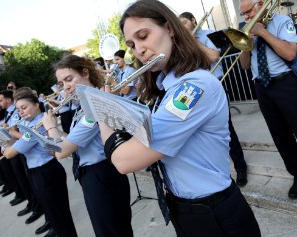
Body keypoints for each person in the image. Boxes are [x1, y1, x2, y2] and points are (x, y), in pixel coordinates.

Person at [97, 0, 261, 236]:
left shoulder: (193, 88)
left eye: (144, 36)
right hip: (185, 208)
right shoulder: (169, 88)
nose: (139, 50)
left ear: (170, 29)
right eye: (132, 44)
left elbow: (124, 161)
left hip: (214, 214)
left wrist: (103, 112)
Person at [41, 54, 133, 237]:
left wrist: (51, 128)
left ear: (85, 72)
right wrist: (56, 134)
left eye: (69, 79)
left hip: (102, 176)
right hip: (92, 176)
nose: (66, 87)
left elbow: (61, 152)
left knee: (112, 232)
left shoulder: (94, 104)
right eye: (61, 83)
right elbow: (72, 141)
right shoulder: (82, 106)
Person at [179, 11, 248, 186]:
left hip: (214, 84)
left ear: (193, 20)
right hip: (195, 89)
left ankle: (240, 167)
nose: (182, 27)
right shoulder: (181, 43)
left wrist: (191, 40)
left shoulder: (207, 34)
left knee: (227, 128)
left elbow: (213, 56)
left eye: (184, 23)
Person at [239, 0, 297, 199]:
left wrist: (263, 32)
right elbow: (244, 66)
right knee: (280, 135)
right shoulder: (247, 31)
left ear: (261, 4)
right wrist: (246, 44)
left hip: (285, 83)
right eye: (243, 14)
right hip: (262, 87)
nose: (246, 17)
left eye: (248, 12)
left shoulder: (281, 20)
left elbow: (290, 53)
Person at [2, 89, 77, 237]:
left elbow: (11, 153)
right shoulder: (32, 124)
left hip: (46, 171)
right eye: (18, 109)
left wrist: (5, 147)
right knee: (54, 214)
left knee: (61, 218)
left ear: (37, 105)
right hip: (40, 171)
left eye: (24, 108)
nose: (21, 112)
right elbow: (20, 143)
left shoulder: (37, 125)